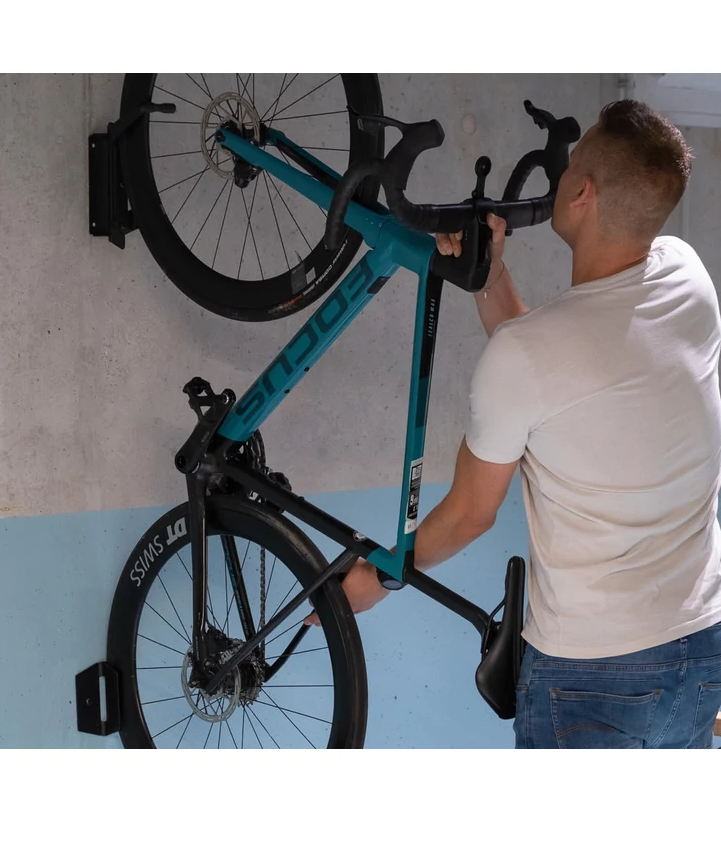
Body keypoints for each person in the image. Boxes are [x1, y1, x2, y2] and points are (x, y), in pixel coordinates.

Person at [309, 99, 721, 748]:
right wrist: (491, 275)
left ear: (581, 193)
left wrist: (378, 578)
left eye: (571, 163)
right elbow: (560, 379)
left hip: (596, 671)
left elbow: (470, 514)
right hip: (702, 646)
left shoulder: (527, 356)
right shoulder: (687, 277)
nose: (561, 172)